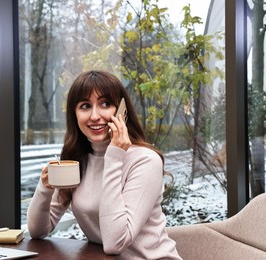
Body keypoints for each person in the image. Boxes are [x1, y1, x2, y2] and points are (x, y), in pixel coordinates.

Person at [27, 70, 181, 259]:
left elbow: (115, 243)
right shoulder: (78, 161)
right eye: (85, 106)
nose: (94, 116)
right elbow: (38, 230)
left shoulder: (145, 160)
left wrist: (114, 156)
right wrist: (45, 188)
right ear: (74, 115)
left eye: (105, 104)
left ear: (121, 111)